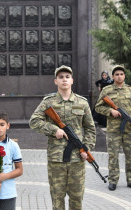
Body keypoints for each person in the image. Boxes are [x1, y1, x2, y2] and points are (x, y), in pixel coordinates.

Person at [29, 65, 96, 210]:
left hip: (77, 159)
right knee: (57, 199)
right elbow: (33, 121)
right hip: (56, 159)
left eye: (67, 77)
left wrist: (86, 148)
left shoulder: (82, 102)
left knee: (77, 199)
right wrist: (54, 129)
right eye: (61, 77)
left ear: (72, 80)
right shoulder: (48, 102)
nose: (64, 80)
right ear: (55, 81)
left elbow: (90, 129)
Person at [95, 65, 131, 191]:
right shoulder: (107, 90)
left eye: (121, 74)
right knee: (113, 156)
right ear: (113, 76)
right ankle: (113, 181)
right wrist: (110, 111)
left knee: (130, 156)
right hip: (113, 130)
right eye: (117, 74)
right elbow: (98, 107)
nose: (119, 76)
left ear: (124, 76)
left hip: (129, 130)